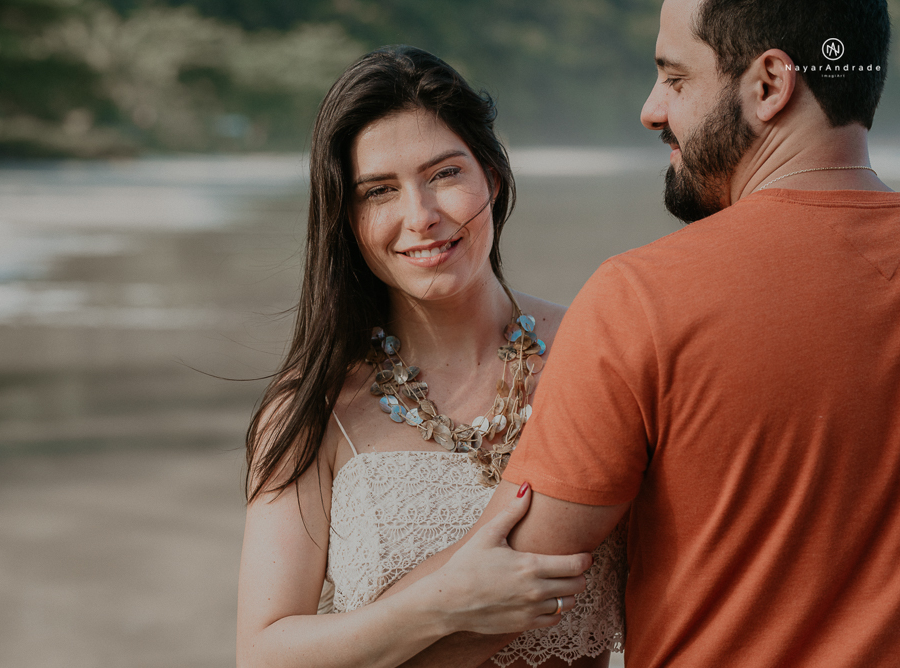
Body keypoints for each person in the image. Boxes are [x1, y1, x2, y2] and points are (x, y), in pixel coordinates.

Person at [384, 0, 900, 666]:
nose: (652, 110)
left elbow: (502, 592)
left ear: (769, 84)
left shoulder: (647, 298)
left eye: (676, 78)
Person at [235, 46, 626, 668]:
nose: (420, 216)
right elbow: (264, 655)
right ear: (346, 218)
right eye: (378, 191)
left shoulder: (600, 354)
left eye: (445, 174)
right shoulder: (314, 405)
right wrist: (440, 604)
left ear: (492, 178)